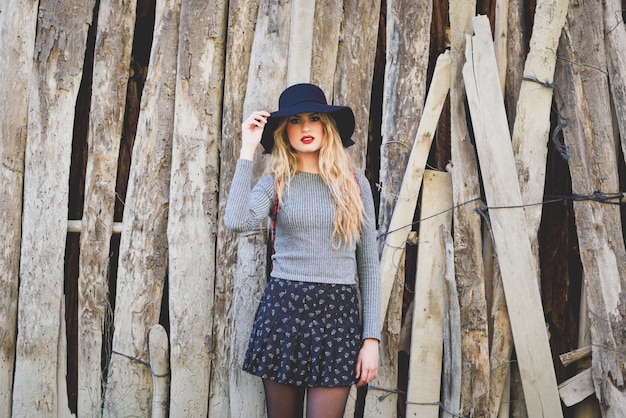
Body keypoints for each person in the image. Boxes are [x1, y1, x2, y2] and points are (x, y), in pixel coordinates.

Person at [224, 83, 381, 418]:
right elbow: (236, 221)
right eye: (295, 120)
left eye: (314, 117)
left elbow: (368, 266)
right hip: (285, 312)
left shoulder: (355, 185)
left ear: (328, 125)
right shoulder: (275, 183)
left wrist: (371, 340)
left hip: (338, 317)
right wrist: (247, 148)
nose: (306, 127)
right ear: (284, 130)